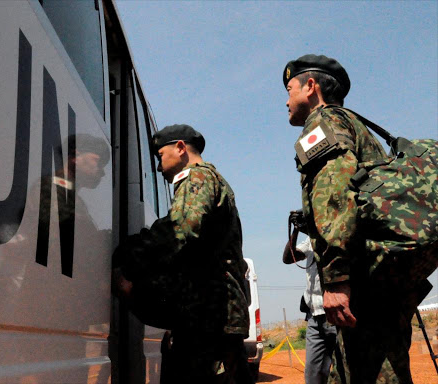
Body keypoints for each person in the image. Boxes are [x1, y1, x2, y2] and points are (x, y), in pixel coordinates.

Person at [283, 54, 434, 383]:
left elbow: (334, 190)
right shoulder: (356, 126)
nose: (286, 100)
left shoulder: (323, 122)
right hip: (388, 278)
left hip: (367, 283)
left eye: (290, 88)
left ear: (311, 87)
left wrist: (337, 276)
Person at [113, 124, 253, 384]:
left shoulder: (197, 178)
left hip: (209, 313)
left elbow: (181, 230)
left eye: (160, 156)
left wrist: (132, 254)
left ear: (180, 148)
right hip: (218, 311)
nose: (158, 166)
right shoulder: (212, 180)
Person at [283, 212, 337, 384]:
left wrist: (310, 230)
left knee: (344, 371)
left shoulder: (336, 234)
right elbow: (287, 258)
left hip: (336, 314)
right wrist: (296, 231)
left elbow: (329, 246)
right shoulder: (310, 241)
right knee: (313, 375)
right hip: (315, 317)